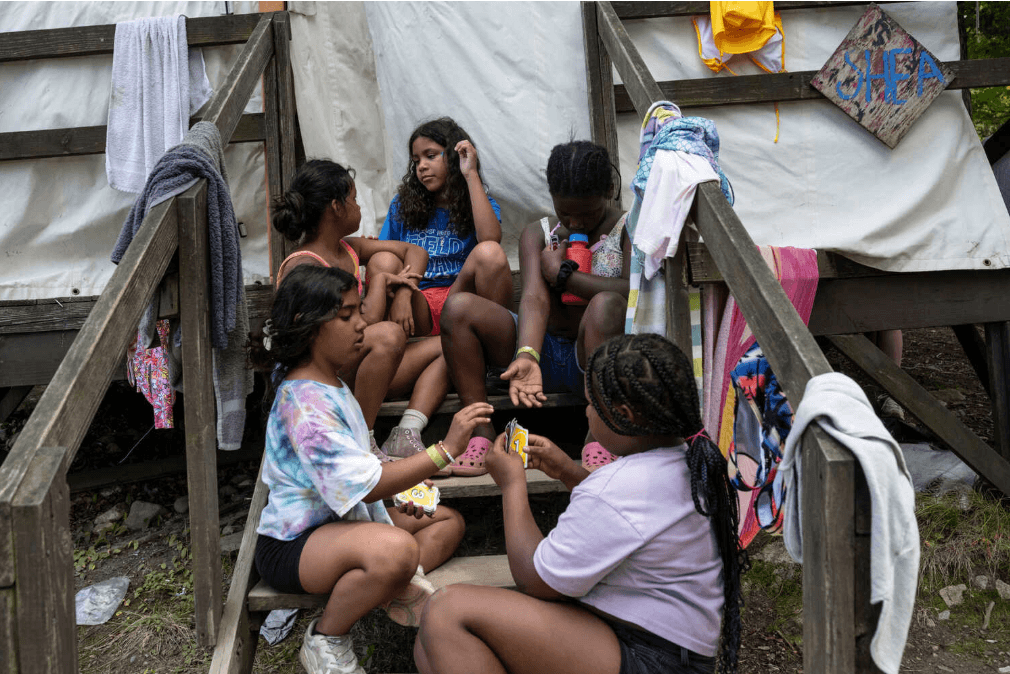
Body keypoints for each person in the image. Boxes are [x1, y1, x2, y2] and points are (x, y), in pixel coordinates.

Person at [416, 333, 748, 674]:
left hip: (653, 659)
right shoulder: (689, 462)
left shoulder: (618, 486)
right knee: (429, 646)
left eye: (591, 404)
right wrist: (569, 472)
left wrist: (512, 484)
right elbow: (635, 517)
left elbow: (535, 579)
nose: (587, 412)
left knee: (446, 611)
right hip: (668, 649)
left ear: (622, 414)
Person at [247, 264, 493, 674]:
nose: (362, 323)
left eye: (359, 311)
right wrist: (445, 450)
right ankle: (326, 638)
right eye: (346, 315)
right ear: (307, 327)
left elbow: (362, 464)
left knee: (447, 522)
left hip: (344, 522)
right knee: (397, 550)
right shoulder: (304, 405)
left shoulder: (333, 385)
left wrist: (406, 485)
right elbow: (369, 485)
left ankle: (384, 584)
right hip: (294, 545)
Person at [439, 140, 629, 475]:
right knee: (459, 308)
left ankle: (600, 434)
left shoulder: (627, 228)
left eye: (588, 213)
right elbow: (533, 298)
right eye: (566, 212)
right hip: (541, 354)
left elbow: (631, 290)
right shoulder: (539, 233)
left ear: (609, 191)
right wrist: (527, 354)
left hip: (592, 360)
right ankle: (480, 431)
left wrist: (564, 276)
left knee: (606, 304)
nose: (577, 222)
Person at [272, 159, 441, 459]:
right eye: (353, 199)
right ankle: (362, 440)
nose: (358, 207)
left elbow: (415, 251)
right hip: (324, 380)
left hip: (359, 372)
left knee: (447, 345)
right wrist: (379, 285)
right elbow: (360, 329)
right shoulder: (305, 265)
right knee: (388, 335)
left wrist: (402, 292)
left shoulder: (348, 249)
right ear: (336, 207)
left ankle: (407, 430)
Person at [377, 117, 515, 464]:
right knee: (383, 258)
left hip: (460, 301)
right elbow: (386, 257)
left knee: (489, 255)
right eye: (416, 160)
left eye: (431, 155)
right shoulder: (403, 206)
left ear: (452, 157)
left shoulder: (474, 199)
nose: (422, 166)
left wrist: (470, 175)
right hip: (418, 307)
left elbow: (490, 240)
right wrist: (406, 292)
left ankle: (488, 358)